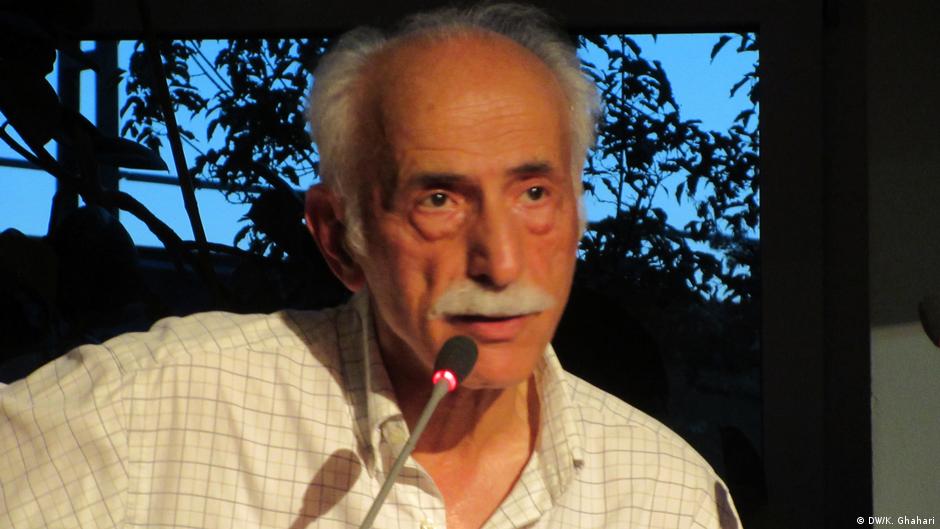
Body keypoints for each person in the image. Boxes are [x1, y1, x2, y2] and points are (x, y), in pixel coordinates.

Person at [0, 4, 740, 529]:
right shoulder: (137, 417)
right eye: (439, 199)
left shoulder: (667, 496)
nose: (501, 260)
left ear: (577, 214)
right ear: (338, 238)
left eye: (534, 193)